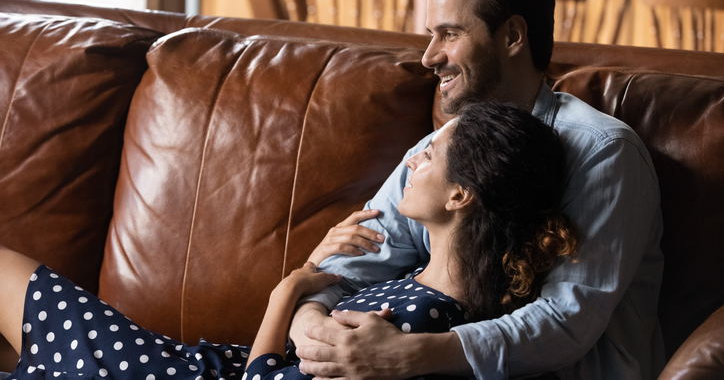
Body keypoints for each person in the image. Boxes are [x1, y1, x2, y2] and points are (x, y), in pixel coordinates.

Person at [290, 0, 665, 380]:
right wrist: (309, 327)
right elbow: (347, 266)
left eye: (449, 34)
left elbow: (566, 319)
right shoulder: (435, 151)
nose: (429, 56)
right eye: (430, 34)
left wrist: (410, 356)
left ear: (512, 36)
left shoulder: (602, 151)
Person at [0, 103, 576, 380]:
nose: (412, 157)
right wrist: (309, 273)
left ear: (460, 197)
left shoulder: (419, 322)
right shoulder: (418, 287)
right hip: (194, 365)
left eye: (430, 153)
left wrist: (290, 288)